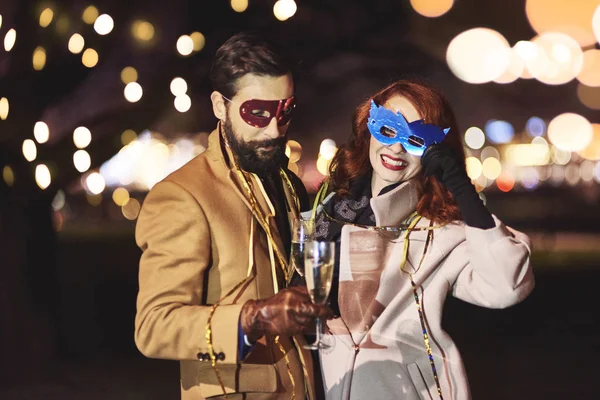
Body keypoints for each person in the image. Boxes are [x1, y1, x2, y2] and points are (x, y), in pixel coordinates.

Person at [134, 32, 331, 400]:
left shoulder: (286, 182)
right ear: (219, 106)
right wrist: (255, 318)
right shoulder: (181, 195)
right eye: (257, 112)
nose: (274, 129)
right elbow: (153, 327)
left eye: (284, 111)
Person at [311, 79, 535, 400]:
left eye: (416, 139)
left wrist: (460, 186)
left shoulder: (442, 233)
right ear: (367, 129)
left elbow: (507, 285)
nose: (397, 148)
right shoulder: (327, 216)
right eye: (387, 129)